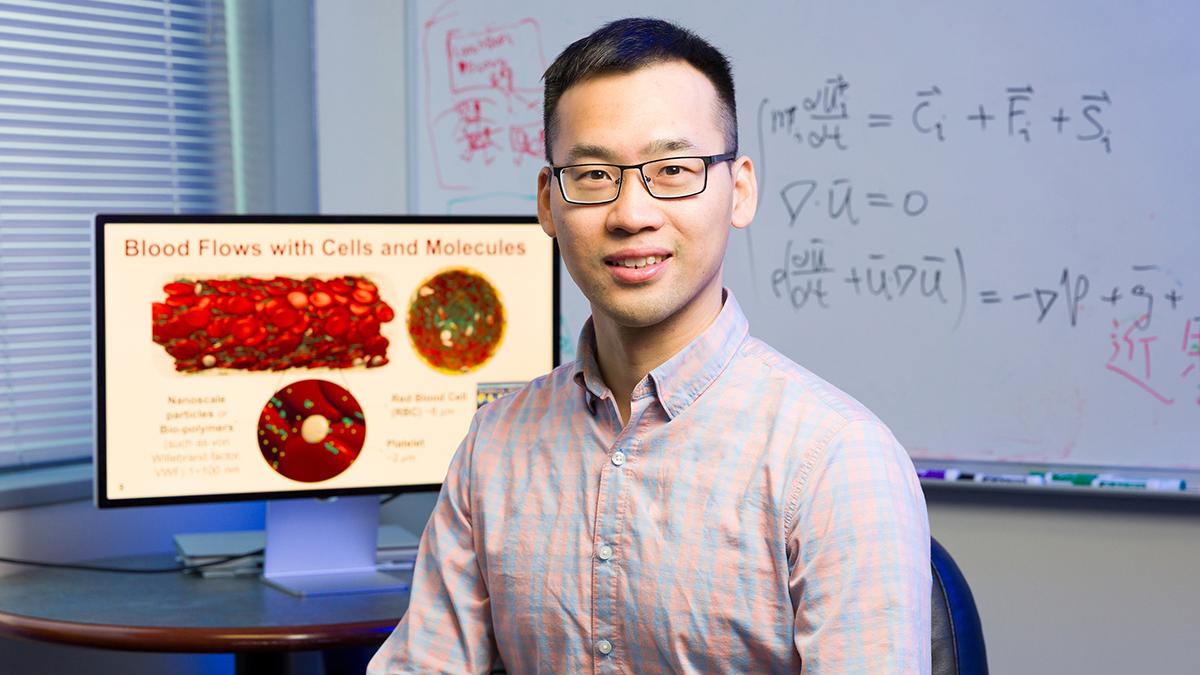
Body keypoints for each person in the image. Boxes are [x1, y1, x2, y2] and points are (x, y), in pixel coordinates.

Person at [370, 17, 930, 674]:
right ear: (549, 204)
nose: (632, 213)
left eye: (672, 169)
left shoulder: (836, 460)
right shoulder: (493, 445)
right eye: (593, 174)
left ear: (740, 189)